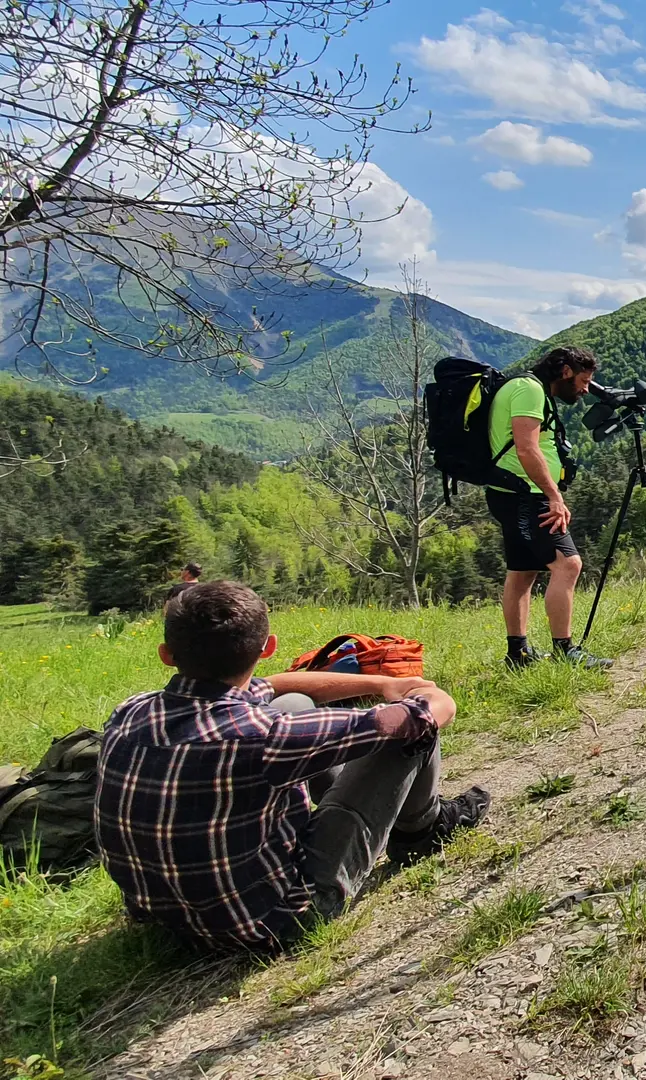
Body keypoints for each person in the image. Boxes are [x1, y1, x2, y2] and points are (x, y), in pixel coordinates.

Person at [95, 581, 490, 952]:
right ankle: (422, 831)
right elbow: (424, 715)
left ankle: (358, 816)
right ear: (267, 646)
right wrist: (423, 692)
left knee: (295, 703)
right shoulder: (264, 734)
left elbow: (275, 685)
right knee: (409, 733)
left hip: (165, 918)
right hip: (276, 920)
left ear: (166, 655)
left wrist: (379, 683)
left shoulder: (129, 711)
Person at [487, 344, 610, 670]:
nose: (585, 390)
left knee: (522, 571)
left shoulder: (526, 387)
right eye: (583, 381)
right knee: (568, 565)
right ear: (566, 371)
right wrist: (553, 495)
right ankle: (565, 650)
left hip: (511, 493)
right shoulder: (528, 390)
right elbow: (527, 449)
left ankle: (518, 654)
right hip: (526, 495)